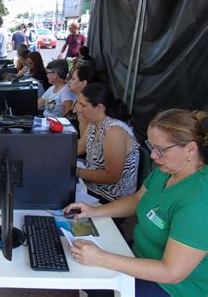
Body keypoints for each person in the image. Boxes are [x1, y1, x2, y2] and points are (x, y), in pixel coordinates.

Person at [65, 109, 208, 297]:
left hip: (173, 288)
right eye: (151, 146)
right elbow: (138, 199)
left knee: (94, 281)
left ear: (190, 148)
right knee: (83, 270)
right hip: (139, 255)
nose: (153, 156)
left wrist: (102, 258)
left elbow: (172, 273)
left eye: (161, 149)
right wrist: (93, 211)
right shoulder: (167, 171)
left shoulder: (199, 202)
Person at [75, 83, 139, 202]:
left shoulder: (114, 131)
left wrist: (76, 171)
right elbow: (79, 149)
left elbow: (112, 176)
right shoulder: (94, 122)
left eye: (83, 105)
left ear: (100, 107)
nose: (78, 109)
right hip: (92, 189)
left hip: (110, 198)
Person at [66, 64, 98, 137]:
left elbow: (84, 142)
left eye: (73, 79)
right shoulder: (76, 101)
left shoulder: (84, 111)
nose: (69, 81)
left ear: (83, 83)